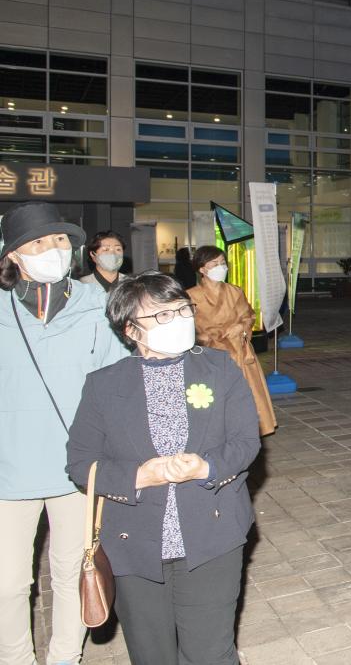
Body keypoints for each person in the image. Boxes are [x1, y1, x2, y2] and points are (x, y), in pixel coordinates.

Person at [66, 271, 260, 665]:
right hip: (133, 543)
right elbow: (80, 462)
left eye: (182, 309)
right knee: (151, 654)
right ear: (131, 329)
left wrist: (206, 466)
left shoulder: (220, 369)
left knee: (210, 651)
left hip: (212, 536)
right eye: (163, 315)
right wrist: (140, 477)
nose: (180, 319)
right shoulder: (104, 385)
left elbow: (245, 442)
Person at [0, 201, 128, 665]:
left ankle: (64, 657)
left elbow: (120, 384)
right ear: (15, 255)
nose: (54, 250)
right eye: (40, 242)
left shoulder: (98, 306)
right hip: (9, 471)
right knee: (9, 582)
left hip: (79, 469)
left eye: (60, 240)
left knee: (75, 570)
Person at [187, 246, 277, 436]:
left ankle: (245, 430)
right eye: (214, 264)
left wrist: (242, 327)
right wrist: (204, 337)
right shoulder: (190, 296)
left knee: (244, 395)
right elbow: (188, 327)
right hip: (208, 354)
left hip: (237, 349)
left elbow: (249, 316)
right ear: (202, 269)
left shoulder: (235, 291)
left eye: (222, 263)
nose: (220, 267)